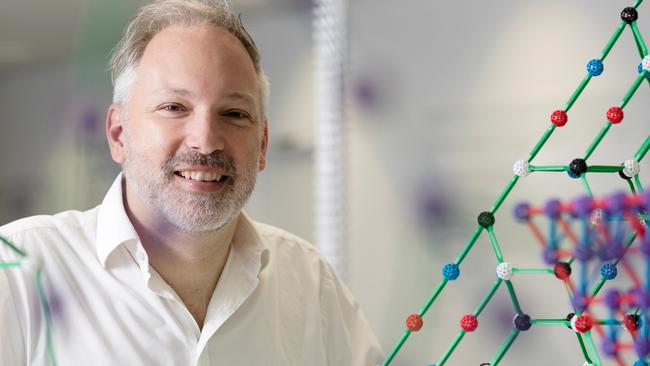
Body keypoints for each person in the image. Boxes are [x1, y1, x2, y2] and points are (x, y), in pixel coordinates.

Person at [0, 0, 384, 364]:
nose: (206, 139)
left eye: (233, 113)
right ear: (119, 135)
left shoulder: (312, 285)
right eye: (174, 108)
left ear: (263, 144)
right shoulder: (17, 272)